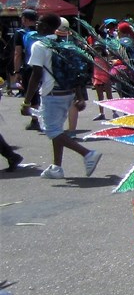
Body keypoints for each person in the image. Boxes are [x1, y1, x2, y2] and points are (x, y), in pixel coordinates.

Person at [21, 14, 102, 179]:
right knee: (57, 129)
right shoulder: (64, 44)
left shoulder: (39, 45)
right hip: (67, 93)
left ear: (46, 26)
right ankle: (56, 167)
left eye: (40, 22)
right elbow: (74, 72)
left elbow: (36, 75)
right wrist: (79, 96)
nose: (37, 24)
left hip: (51, 94)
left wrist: (27, 101)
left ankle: (87, 153)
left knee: (52, 131)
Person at [13, 9, 40, 129]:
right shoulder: (42, 30)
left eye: (22, 18)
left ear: (26, 19)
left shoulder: (21, 33)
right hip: (44, 65)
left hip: (29, 66)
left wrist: (17, 71)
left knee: (32, 93)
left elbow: (17, 53)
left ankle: (35, 120)